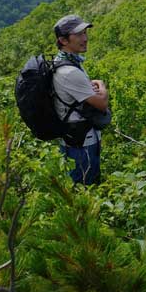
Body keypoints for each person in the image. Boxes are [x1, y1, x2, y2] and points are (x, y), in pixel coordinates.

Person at [52, 14, 111, 184]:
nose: (85, 38)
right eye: (78, 35)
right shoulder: (69, 71)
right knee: (85, 190)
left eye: (85, 33)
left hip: (77, 139)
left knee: (84, 187)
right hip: (82, 143)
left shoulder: (66, 62)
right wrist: (101, 85)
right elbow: (101, 103)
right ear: (63, 41)